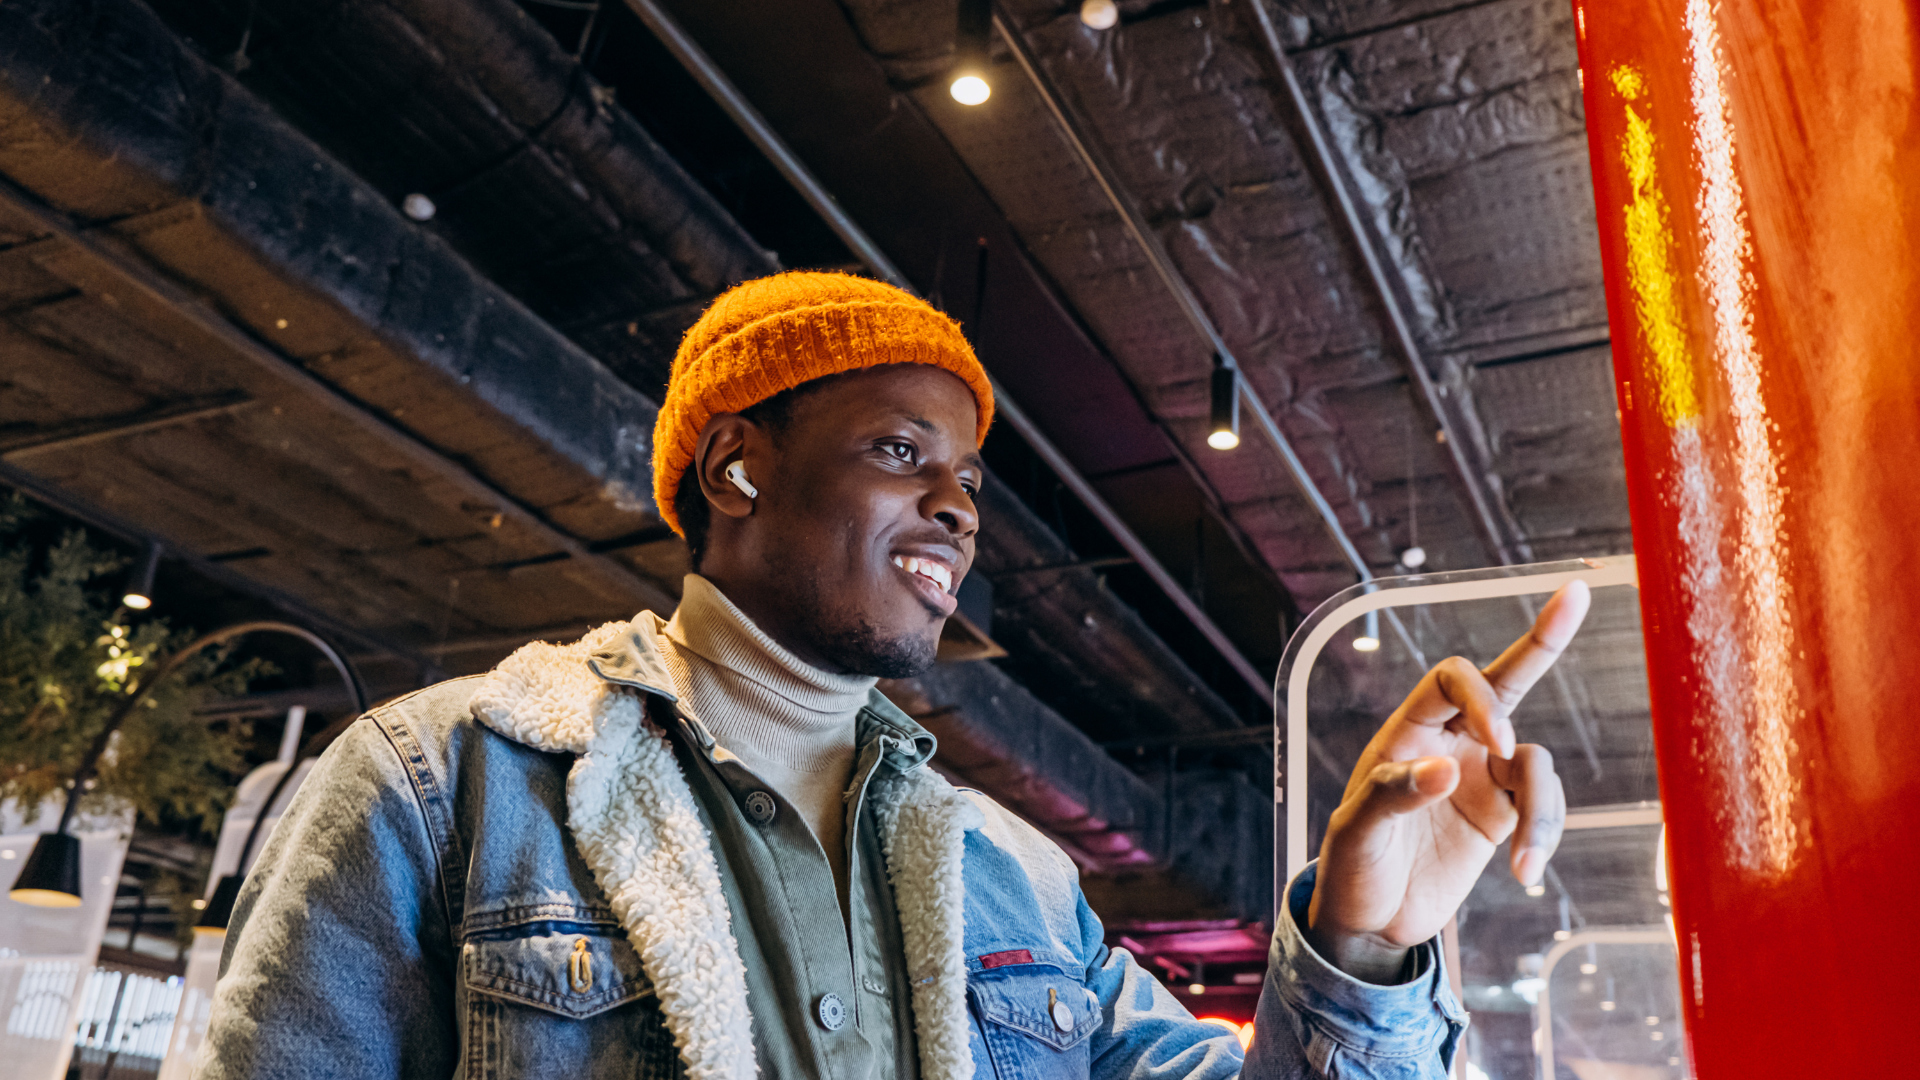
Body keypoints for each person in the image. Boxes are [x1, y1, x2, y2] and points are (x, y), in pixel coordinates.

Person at [196, 271, 1588, 1079]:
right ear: (738, 466)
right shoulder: (445, 787)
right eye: (901, 453)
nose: (960, 510)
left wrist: (1360, 943)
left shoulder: (1017, 879)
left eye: (968, 481)